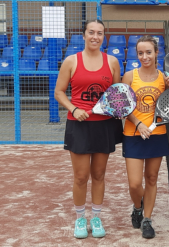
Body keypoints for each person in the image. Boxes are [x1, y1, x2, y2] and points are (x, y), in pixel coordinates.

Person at [54, 20, 123, 239]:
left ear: (104, 37)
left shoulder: (112, 62)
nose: (95, 36)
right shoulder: (71, 61)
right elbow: (59, 92)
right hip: (79, 125)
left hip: (103, 125)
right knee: (81, 176)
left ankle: (96, 216)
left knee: (99, 174)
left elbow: (116, 95)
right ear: (83, 35)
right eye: (91, 32)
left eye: (99, 33)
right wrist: (74, 109)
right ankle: (80, 218)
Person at [121, 35, 169, 239]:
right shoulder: (129, 76)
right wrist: (138, 123)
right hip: (133, 133)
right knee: (135, 184)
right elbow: (122, 106)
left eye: (148, 52)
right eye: (140, 53)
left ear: (157, 53)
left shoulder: (165, 78)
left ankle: (147, 219)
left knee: (152, 178)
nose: (144, 56)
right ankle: (138, 206)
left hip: (157, 134)